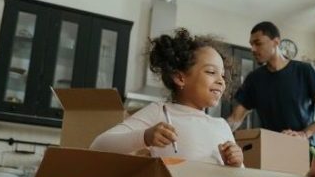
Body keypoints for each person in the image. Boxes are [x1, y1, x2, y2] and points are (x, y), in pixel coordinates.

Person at [91, 28, 243, 167]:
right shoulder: (161, 112)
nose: (221, 80)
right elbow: (98, 146)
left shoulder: (222, 126)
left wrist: (236, 163)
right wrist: (145, 137)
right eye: (211, 72)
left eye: (223, 75)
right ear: (180, 78)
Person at [227, 21, 315, 146]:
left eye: (258, 43)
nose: (253, 49)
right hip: (270, 152)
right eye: (251, 44)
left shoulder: (305, 70)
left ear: (276, 42)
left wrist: (304, 134)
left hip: (304, 151)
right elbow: (235, 119)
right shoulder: (253, 79)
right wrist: (215, 129)